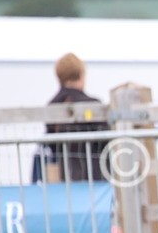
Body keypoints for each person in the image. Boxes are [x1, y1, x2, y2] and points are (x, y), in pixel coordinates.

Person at [33, 53, 110, 183]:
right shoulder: (93, 105)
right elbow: (107, 142)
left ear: (59, 77)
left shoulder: (51, 107)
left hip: (65, 180)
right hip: (96, 180)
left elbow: (52, 146)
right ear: (81, 75)